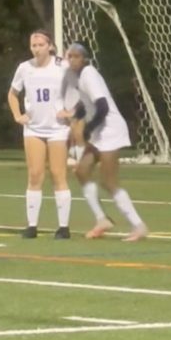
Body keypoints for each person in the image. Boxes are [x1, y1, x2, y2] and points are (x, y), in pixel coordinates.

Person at [60, 42, 148, 241]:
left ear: (84, 58)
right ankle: (102, 219)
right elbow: (86, 105)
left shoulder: (89, 74)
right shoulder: (79, 78)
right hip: (100, 132)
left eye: (76, 56)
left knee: (109, 181)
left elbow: (103, 107)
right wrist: (74, 115)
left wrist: (89, 129)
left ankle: (138, 225)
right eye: (69, 56)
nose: (72, 59)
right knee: (81, 171)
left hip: (110, 131)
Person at [8, 30, 72, 239]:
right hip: (34, 128)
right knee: (35, 174)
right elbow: (12, 94)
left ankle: (63, 227)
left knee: (57, 174)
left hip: (57, 128)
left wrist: (70, 112)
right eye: (33, 45)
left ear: (50, 46)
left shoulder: (62, 66)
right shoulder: (25, 68)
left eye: (40, 45)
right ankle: (32, 226)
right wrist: (18, 115)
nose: (36, 49)